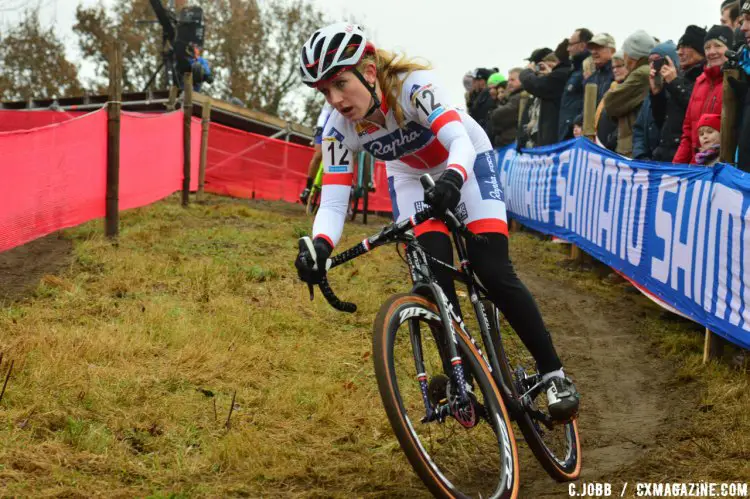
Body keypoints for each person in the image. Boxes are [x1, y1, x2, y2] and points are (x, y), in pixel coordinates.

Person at [294, 22, 579, 421]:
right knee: (431, 281)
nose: (335, 99)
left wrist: (452, 179)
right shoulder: (337, 128)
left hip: (465, 157)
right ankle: (459, 377)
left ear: (370, 71)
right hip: (409, 176)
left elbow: (459, 141)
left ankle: (555, 375)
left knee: (493, 270)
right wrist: (320, 244)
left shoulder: (413, 86)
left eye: (341, 83)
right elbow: (335, 199)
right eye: (325, 91)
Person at [673, 26, 734, 164]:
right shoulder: (700, 82)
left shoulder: (736, 81)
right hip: (696, 167)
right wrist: (676, 167)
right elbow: (688, 133)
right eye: (707, 47)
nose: (712, 52)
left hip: (722, 167)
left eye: (718, 46)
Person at [648, 28, 706, 162]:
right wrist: (657, 93)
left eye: (685, 47)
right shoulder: (678, 77)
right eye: (679, 48)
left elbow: (695, 109)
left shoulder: (705, 78)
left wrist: (674, 83)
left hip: (686, 158)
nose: (680, 52)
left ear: (700, 49)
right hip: (665, 155)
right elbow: (660, 120)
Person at [519, 49, 572, 146]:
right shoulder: (533, 93)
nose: (540, 71)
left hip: (551, 143)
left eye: (542, 67)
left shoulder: (557, 79)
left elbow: (537, 85)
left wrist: (528, 72)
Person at [559, 28, 594, 141]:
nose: (568, 49)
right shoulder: (575, 69)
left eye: (571, 44)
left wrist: (576, 125)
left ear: (582, 45)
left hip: (575, 134)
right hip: (567, 132)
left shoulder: (589, 67)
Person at [299, 102, 333, 203]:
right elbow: (325, 112)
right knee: (318, 156)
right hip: (325, 123)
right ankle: (308, 188)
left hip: (342, 125)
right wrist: (319, 127)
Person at [487, 68, 524, 148]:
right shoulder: (511, 97)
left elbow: (499, 115)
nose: (509, 83)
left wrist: (493, 115)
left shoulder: (520, 96)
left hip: (512, 145)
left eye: (512, 80)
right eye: (509, 80)